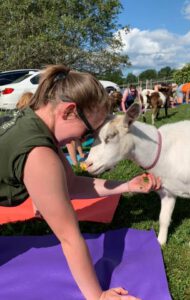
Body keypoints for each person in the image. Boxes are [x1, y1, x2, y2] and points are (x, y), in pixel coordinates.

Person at [0, 64, 161, 300]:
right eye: (88, 133)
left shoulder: (35, 120)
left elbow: (72, 185)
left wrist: (127, 186)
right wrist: (99, 296)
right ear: (68, 111)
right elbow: (69, 237)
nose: (83, 140)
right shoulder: (39, 154)